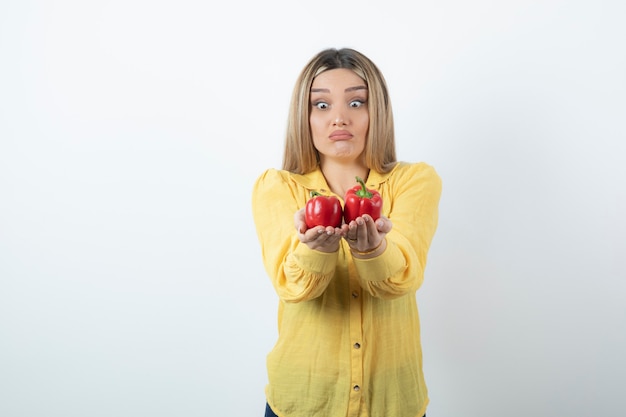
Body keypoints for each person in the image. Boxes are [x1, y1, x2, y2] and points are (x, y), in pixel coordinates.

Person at [252, 47, 442, 417]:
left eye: (356, 103)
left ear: (376, 113)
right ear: (303, 117)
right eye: (321, 105)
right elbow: (293, 286)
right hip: (303, 401)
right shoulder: (276, 188)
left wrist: (373, 252)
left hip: (392, 403)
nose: (339, 118)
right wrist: (316, 251)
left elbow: (403, 277)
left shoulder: (414, 181)